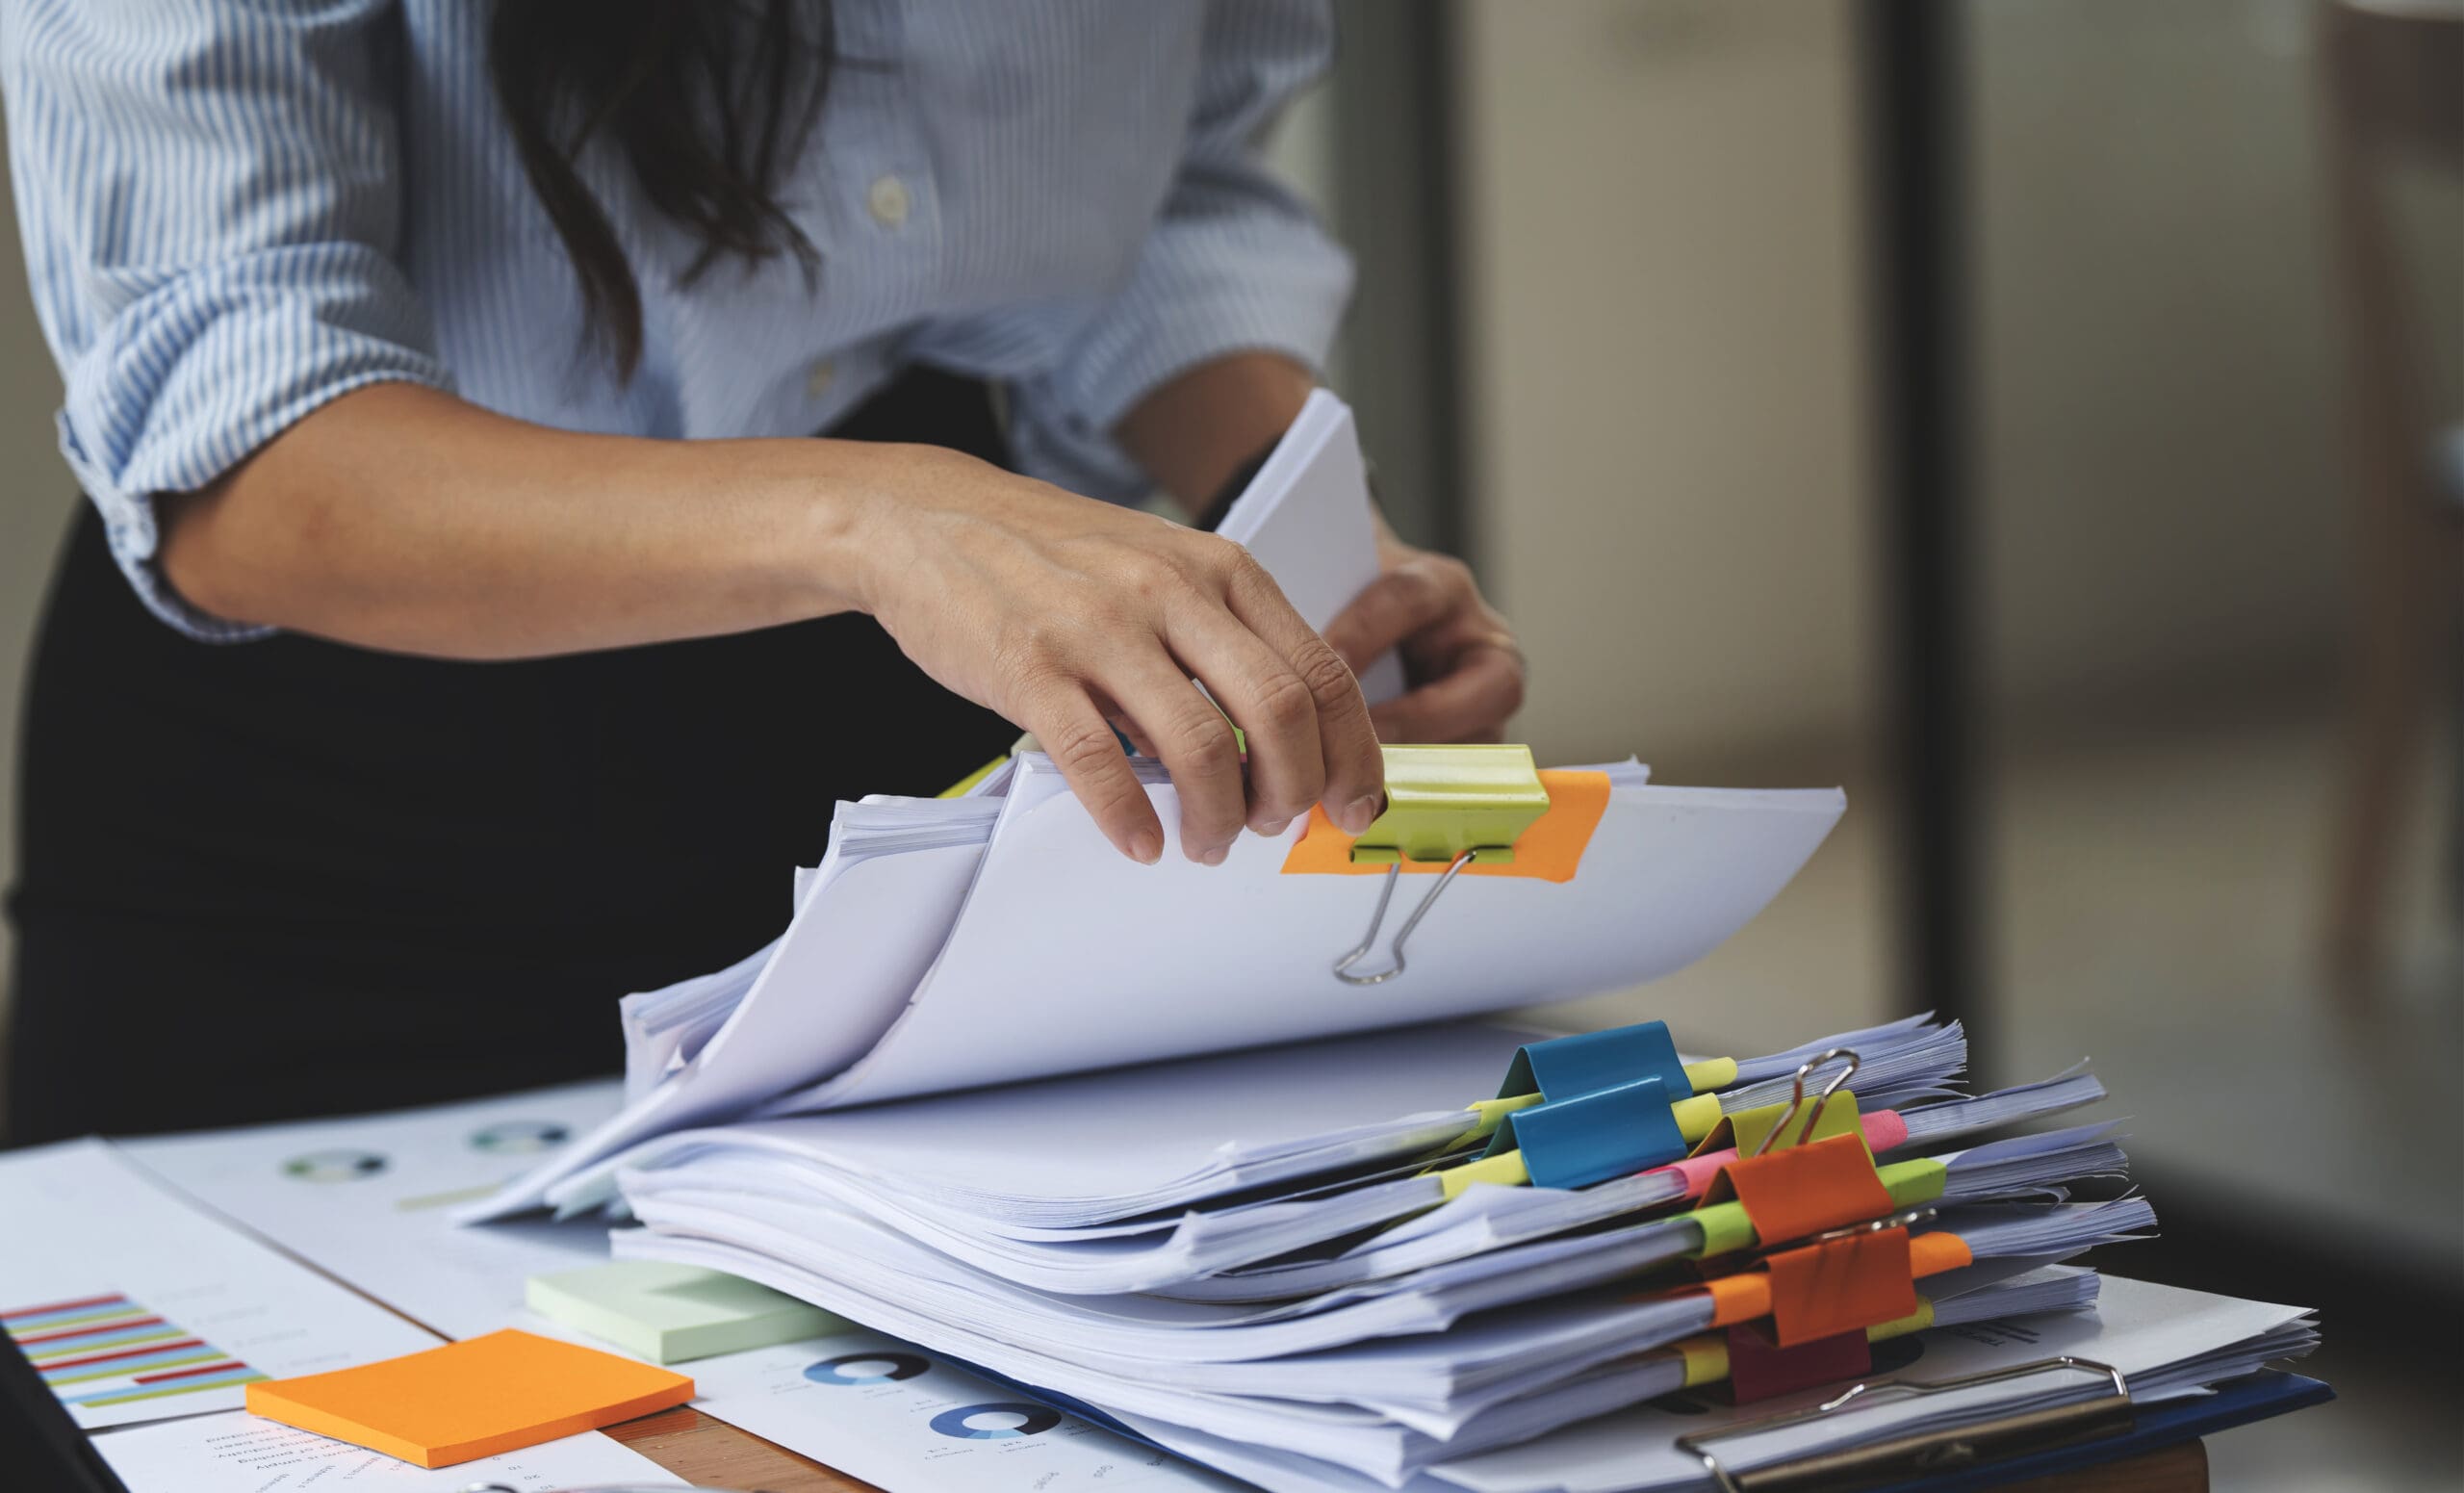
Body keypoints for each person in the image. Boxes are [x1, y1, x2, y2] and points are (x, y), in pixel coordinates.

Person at [0, 2, 1523, 1143]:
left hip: (906, 693)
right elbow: (238, 445)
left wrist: (1285, 542)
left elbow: (1164, 191)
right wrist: (882, 526)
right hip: (340, 768)